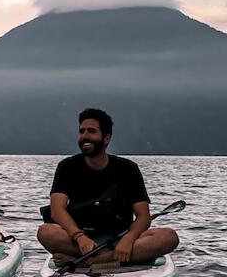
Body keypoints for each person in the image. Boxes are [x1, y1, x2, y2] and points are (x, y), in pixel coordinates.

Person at [36, 107, 179, 266]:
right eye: (82, 131)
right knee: (46, 232)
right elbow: (57, 210)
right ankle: (113, 259)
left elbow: (143, 216)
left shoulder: (128, 169)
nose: (85, 136)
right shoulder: (67, 167)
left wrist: (129, 238)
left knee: (168, 237)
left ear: (106, 138)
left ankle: (87, 262)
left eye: (91, 131)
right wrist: (79, 237)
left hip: (120, 239)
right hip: (82, 242)